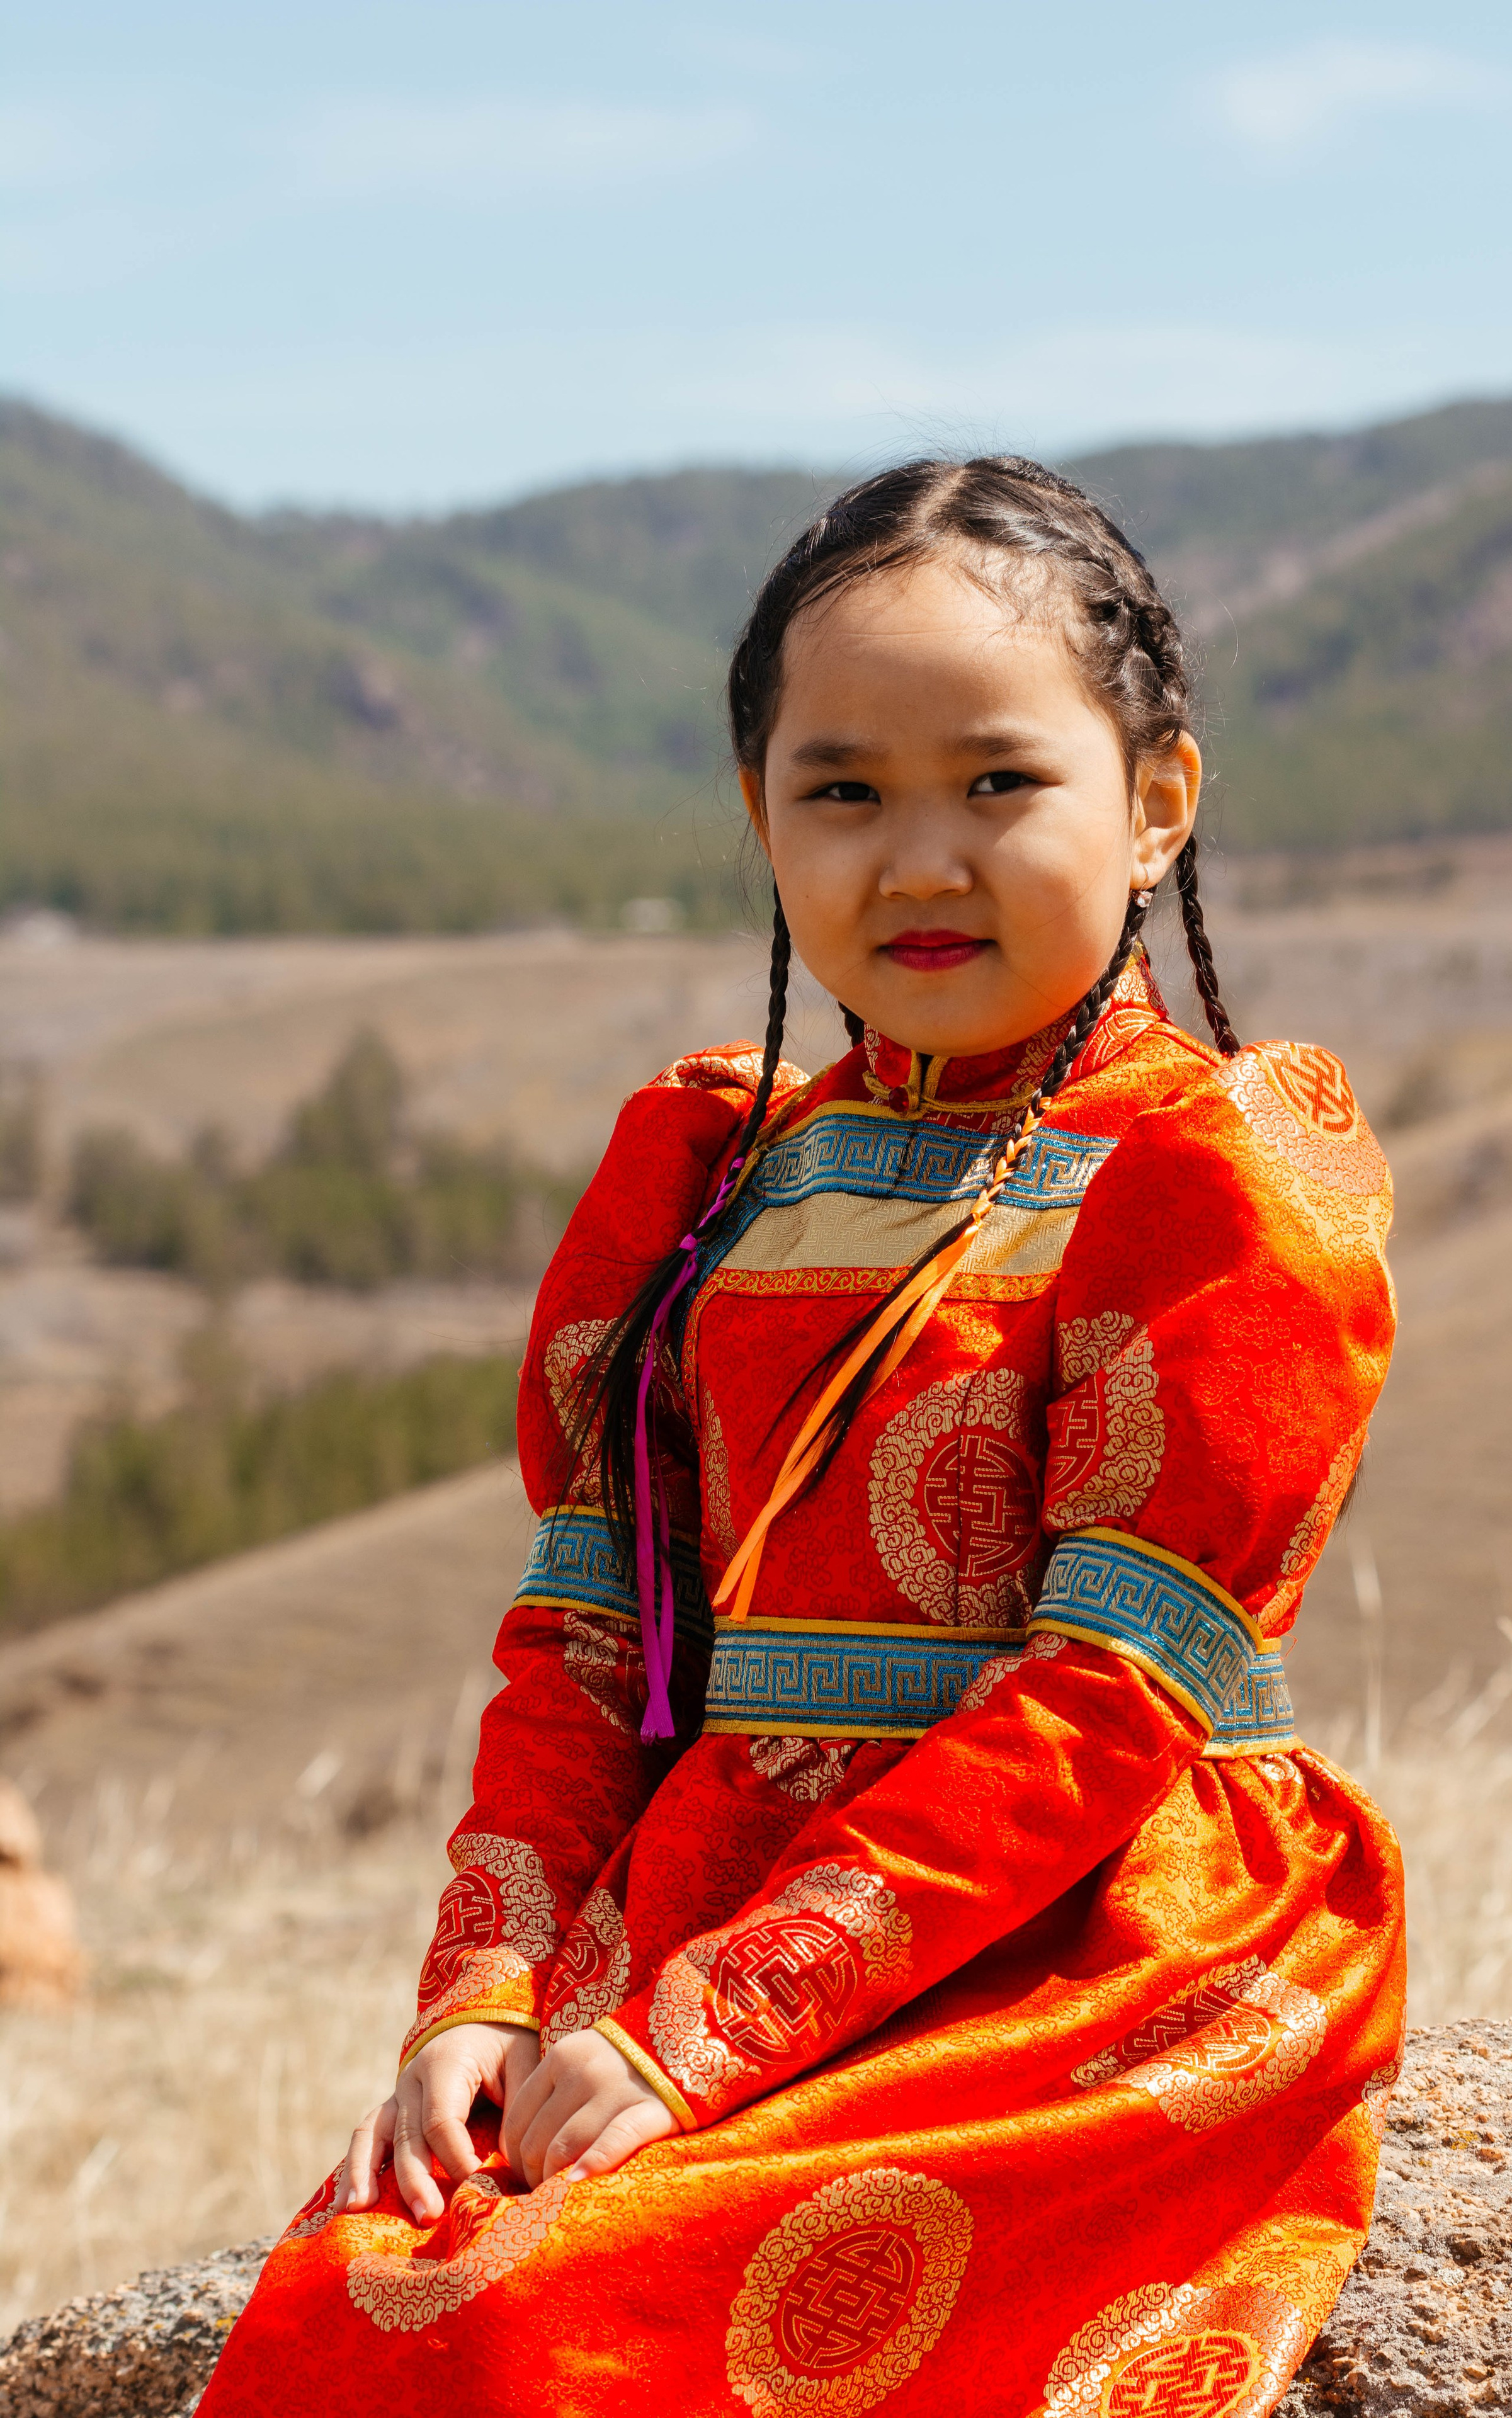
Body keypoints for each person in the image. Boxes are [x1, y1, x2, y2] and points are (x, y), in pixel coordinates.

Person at [199, 458, 1402, 2418]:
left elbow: (1110, 1697)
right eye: (843, 793)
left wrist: (717, 2020)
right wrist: (484, 1998)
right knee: (376, 2287)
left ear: (1158, 803)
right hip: (704, 1896)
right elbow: (588, 1643)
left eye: (998, 783)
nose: (919, 861)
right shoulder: (707, 1178)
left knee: (542, 2325)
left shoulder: (1205, 1177)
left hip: (1083, 1928)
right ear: (759, 817)